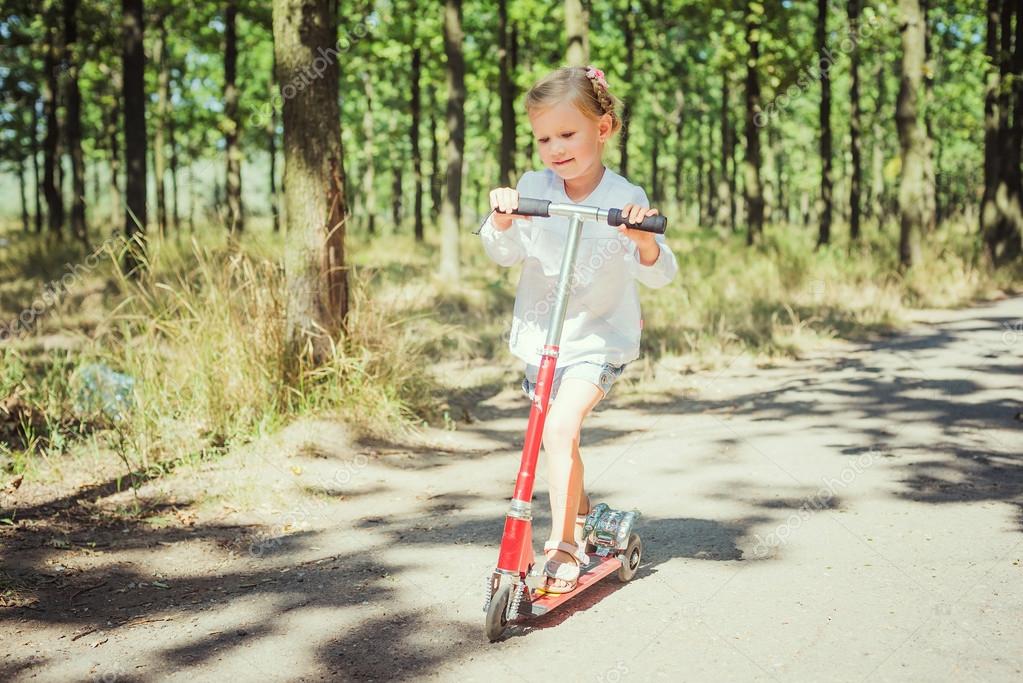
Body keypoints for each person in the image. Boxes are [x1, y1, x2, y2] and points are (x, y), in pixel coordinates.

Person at [478, 65, 679, 593]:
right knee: (557, 440)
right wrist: (501, 221)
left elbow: (661, 273)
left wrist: (643, 240)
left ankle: (562, 544)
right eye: (544, 138)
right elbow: (502, 254)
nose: (555, 148)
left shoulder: (624, 195)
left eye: (568, 134)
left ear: (603, 129)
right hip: (542, 342)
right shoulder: (532, 188)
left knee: (559, 430)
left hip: (597, 339)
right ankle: (585, 520)